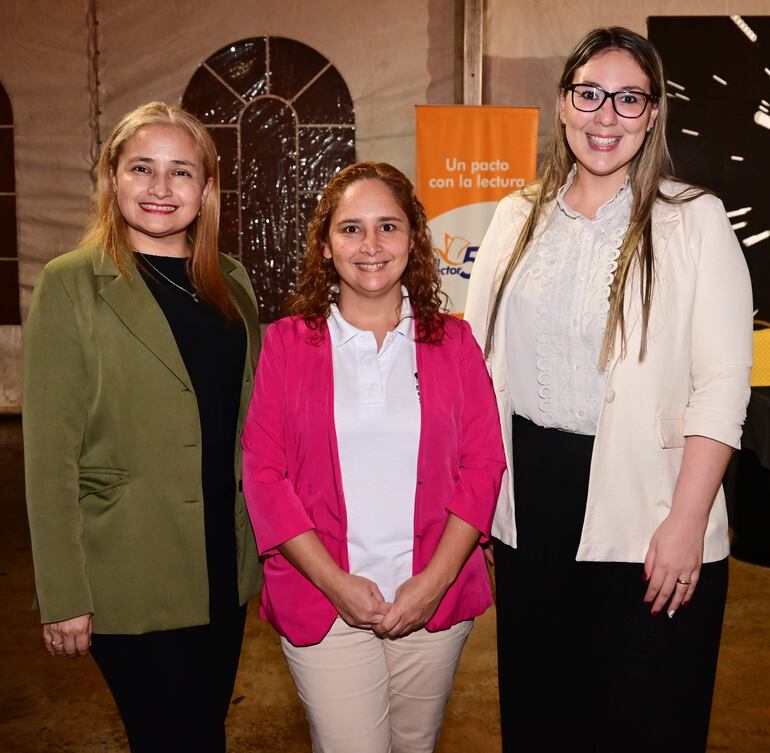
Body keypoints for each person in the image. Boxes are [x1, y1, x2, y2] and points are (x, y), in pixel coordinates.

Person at [464, 27, 753, 753]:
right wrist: (484, 505)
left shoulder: (694, 220)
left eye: (629, 99)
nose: (606, 116)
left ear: (652, 114)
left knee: (644, 718)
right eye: (589, 94)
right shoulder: (514, 217)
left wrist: (687, 521)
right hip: (530, 502)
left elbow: (722, 383)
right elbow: (477, 371)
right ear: (563, 104)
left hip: (650, 504)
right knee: (541, 713)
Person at [241, 162, 505, 753]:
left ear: (413, 239)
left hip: (430, 600)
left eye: (388, 226)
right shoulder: (287, 343)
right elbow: (264, 474)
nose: (370, 246)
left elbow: (483, 466)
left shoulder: (454, 343)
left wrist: (432, 584)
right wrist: (335, 584)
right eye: (351, 228)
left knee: (415, 744)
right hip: (324, 599)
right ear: (326, 244)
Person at [23, 102, 261, 753]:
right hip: (129, 574)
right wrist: (63, 593)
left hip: (221, 570)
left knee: (202, 732)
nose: (161, 188)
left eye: (181, 171)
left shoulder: (231, 283)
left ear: (207, 188)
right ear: (112, 179)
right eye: (142, 168)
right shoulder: (71, 284)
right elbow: (48, 455)